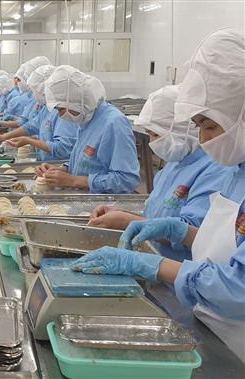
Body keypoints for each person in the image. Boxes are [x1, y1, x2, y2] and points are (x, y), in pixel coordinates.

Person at [70, 29, 245, 362]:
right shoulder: (238, 171)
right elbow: (228, 243)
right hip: (208, 325)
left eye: (208, 125)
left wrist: (149, 263)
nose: (203, 139)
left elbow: (239, 289)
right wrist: (179, 231)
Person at [88, 85, 229, 261]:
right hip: (153, 257)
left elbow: (195, 235)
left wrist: (127, 221)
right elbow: (156, 217)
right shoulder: (175, 163)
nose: (151, 144)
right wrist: (120, 213)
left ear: (181, 129)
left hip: (178, 274)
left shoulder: (216, 169)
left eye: (155, 135)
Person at [34, 65, 140, 194]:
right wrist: (62, 170)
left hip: (103, 207)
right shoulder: (86, 120)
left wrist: (73, 180)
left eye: (62, 109)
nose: (60, 116)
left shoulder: (114, 123)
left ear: (77, 101)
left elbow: (126, 180)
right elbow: (87, 161)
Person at [1, 65, 77, 161]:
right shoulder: (46, 108)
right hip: (46, 164)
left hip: (57, 166)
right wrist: (3, 136)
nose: (34, 95)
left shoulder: (63, 112)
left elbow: (62, 149)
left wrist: (29, 140)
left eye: (35, 91)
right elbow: (30, 127)